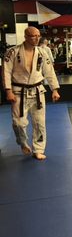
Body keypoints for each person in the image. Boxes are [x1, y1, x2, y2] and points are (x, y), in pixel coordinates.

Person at [2, 26, 60, 160]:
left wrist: (55, 89)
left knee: (39, 123)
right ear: (26, 36)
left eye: (38, 35)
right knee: (18, 123)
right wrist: (8, 91)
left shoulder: (42, 52)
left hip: (37, 91)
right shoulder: (12, 52)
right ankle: (22, 142)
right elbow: (6, 72)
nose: (37, 38)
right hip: (18, 92)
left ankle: (38, 149)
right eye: (34, 35)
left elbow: (49, 72)